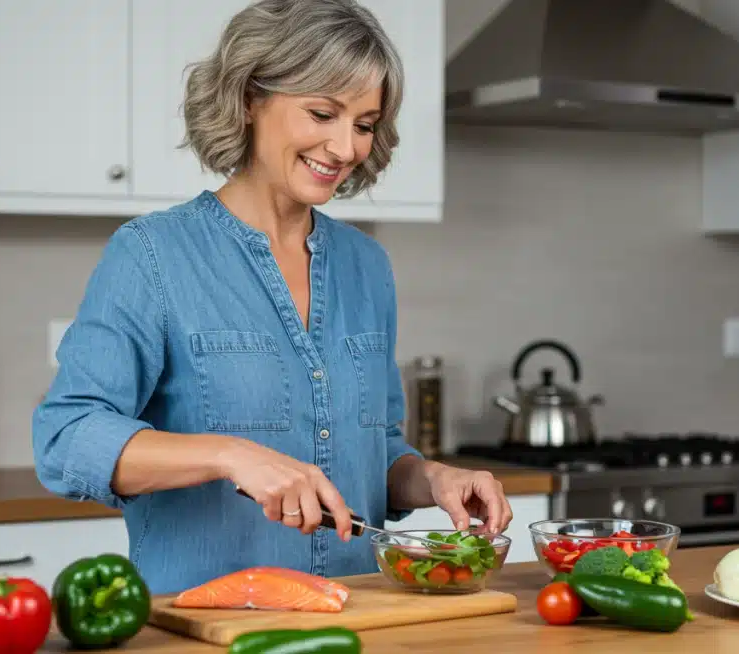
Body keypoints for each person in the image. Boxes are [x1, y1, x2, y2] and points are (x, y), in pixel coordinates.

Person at [31, 0, 512, 595]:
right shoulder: (152, 255)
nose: (344, 148)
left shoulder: (367, 266)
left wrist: (432, 478)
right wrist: (230, 455)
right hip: (206, 629)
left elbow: (372, 451)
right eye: (322, 113)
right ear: (251, 97)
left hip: (356, 622)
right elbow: (66, 439)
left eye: (363, 124)